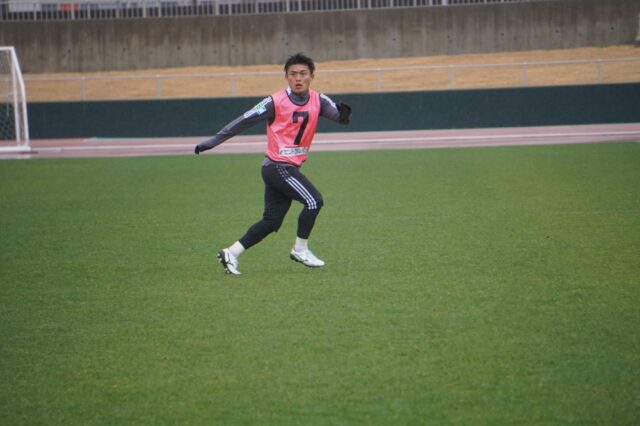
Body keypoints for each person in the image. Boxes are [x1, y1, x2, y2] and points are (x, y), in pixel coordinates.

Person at [195, 53, 352, 275]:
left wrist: (344, 115)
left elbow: (339, 117)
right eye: (293, 74)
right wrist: (213, 141)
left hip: (285, 168)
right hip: (278, 166)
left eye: (303, 73)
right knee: (314, 201)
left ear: (312, 76)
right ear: (286, 77)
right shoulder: (274, 101)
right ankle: (300, 249)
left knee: (271, 221)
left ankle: (231, 252)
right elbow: (243, 120)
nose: (298, 78)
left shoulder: (319, 100)